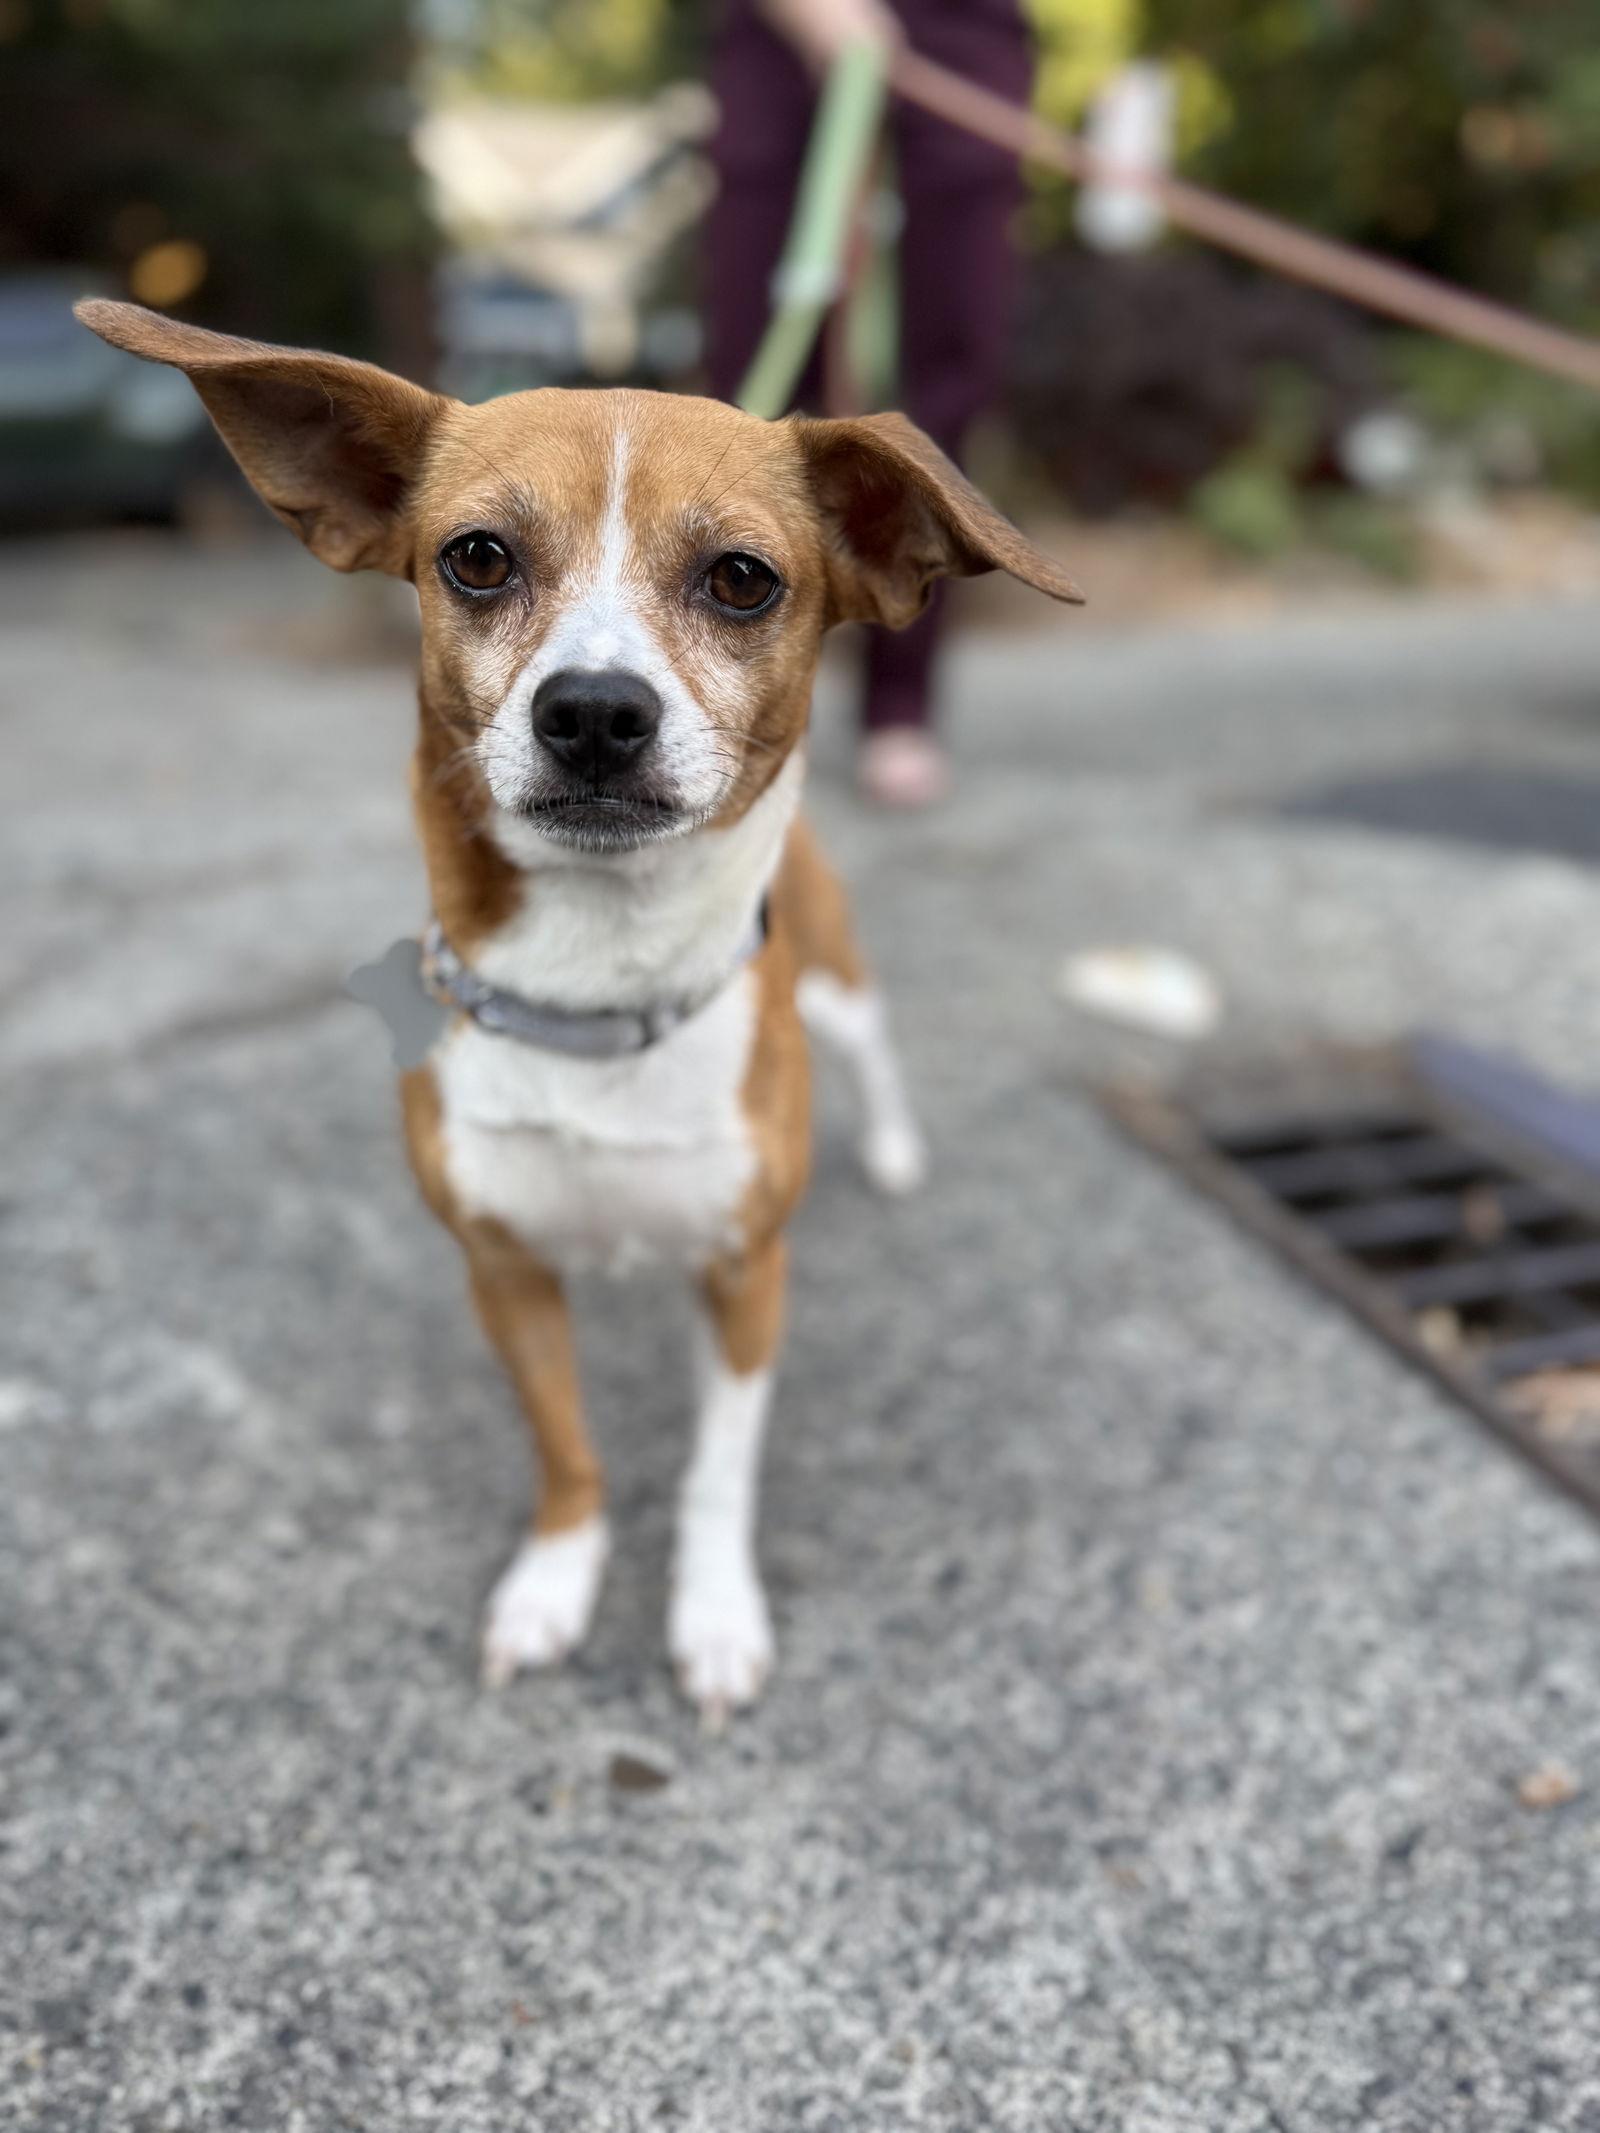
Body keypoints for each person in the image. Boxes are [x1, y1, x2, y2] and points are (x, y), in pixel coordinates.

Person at [703, 0, 1033, 808]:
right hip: (780, 41)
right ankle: (720, 692)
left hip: (968, 34)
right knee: (751, 388)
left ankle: (900, 704)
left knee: (946, 387)